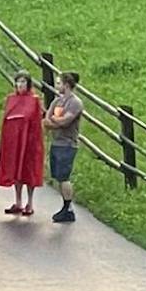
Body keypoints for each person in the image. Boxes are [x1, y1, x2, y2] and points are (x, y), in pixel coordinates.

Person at [0, 72, 45, 219]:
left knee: (29, 171)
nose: (20, 85)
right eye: (18, 82)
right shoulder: (11, 99)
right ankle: (18, 201)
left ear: (28, 84)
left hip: (30, 142)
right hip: (14, 141)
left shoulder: (34, 100)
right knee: (16, 170)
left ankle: (30, 203)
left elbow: (36, 123)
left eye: (23, 82)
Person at [46, 69, 84, 226]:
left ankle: (68, 208)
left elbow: (65, 121)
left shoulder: (75, 103)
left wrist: (55, 121)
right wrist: (56, 120)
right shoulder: (57, 101)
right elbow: (46, 120)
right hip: (56, 142)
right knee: (58, 177)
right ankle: (65, 206)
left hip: (68, 144)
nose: (57, 86)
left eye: (59, 83)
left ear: (67, 85)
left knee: (64, 177)